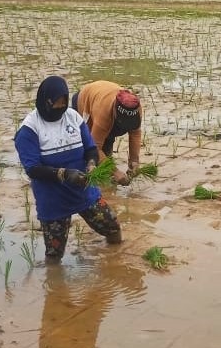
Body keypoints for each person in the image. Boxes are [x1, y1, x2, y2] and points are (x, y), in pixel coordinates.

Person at [15, 76, 123, 263]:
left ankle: (115, 263)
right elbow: (32, 169)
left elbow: (90, 148)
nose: (59, 108)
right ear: (44, 101)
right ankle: (55, 287)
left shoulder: (73, 117)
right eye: (54, 104)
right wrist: (63, 174)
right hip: (53, 199)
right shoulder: (30, 129)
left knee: (112, 227)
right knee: (55, 254)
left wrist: (91, 164)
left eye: (63, 103)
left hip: (84, 190)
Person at [72, 80, 143, 186]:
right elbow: (94, 146)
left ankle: (106, 182)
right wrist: (115, 172)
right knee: (86, 151)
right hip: (86, 99)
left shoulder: (136, 108)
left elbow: (135, 134)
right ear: (115, 113)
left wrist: (134, 160)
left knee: (107, 151)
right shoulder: (103, 113)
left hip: (103, 95)